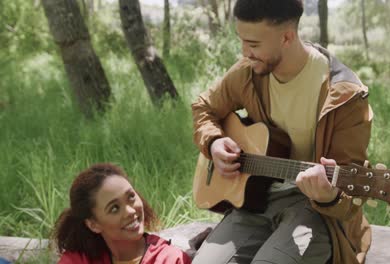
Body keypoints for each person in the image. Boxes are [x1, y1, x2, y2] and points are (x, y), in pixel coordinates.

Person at [191, 0, 373, 263]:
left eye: (253, 44)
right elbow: (203, 107)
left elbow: (352, 191)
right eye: (241, 40)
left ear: (286, 37)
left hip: (316, 212)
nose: (244, 52)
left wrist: (329, 195)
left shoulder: (345, 95)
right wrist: (214, 142)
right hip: (256, 200)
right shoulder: (247, 73)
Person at [52, 163, 191, 264]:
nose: (130, 211)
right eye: (114, 208)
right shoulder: (79, 260)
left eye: (131, 197)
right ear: (93, 224)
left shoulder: (169, 260)